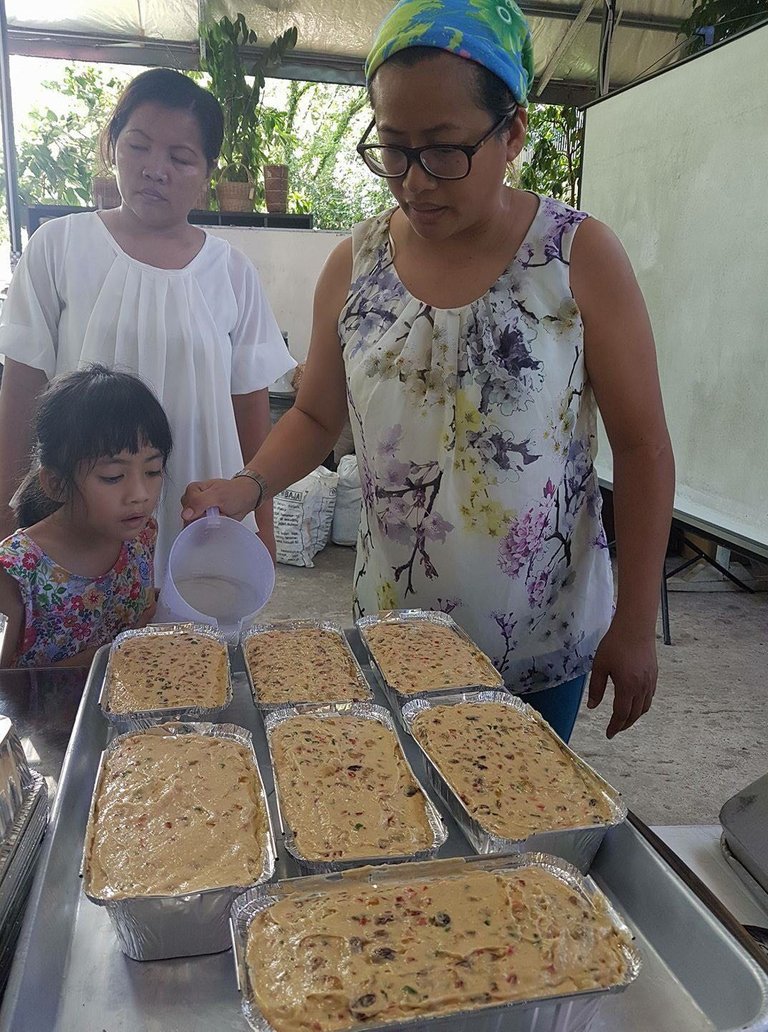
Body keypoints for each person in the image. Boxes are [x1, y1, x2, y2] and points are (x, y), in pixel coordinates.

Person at [182, 0, 675, 741]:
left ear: (512, 133)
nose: (413, 180)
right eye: (392, 148)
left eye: (443, 149)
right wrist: (247, 484)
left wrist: (636, 624)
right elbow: (317, 417)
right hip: (393, 637)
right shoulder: (356, 264)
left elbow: (642, 448)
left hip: (538, 643)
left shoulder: (578, 259)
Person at [0, 68, 294, 578]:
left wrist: (261, 524)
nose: (156, 169)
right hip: (83, 528)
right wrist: (5, 518)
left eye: (181, 158)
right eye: (138, 147)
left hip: (203, 521)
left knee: (198, 650)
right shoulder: (59, 246)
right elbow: (21, 393)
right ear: (112, 145)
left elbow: (252, 415)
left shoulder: (231, 272)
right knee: (87, 652)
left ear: (206, 172)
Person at [0, 365, 172, 667]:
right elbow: (5, 690)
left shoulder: (140, 537)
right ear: (55, 483)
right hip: (47, 714)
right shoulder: (17, 571)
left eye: (153, 471)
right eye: (113, 476)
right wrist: (105, 658)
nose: (140, 494)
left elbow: (139, 613)